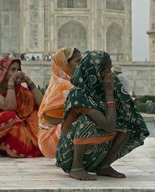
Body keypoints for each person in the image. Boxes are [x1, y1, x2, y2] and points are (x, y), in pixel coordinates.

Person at [56, 50, 149, 181]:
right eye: (106, 69)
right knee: (87, 122)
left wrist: (114, 92)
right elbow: (109, 126)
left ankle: (104, 166)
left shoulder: (99, 90)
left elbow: (128, 112)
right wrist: (109, 94)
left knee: (128, 124)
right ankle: (76, 167)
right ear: (94, 71)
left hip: (94, 153)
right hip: (67, 154)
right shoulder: (79, 94)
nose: (110, 74)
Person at [37, 46, 82, 157]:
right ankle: (73, 163)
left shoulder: (60, 81)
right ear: (65, 63)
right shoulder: (64, 84)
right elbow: (48, 117)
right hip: (50, 139)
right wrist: (75, 119)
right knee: (86, 123)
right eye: (78, 61)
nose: (81, 65)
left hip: (48, 138)